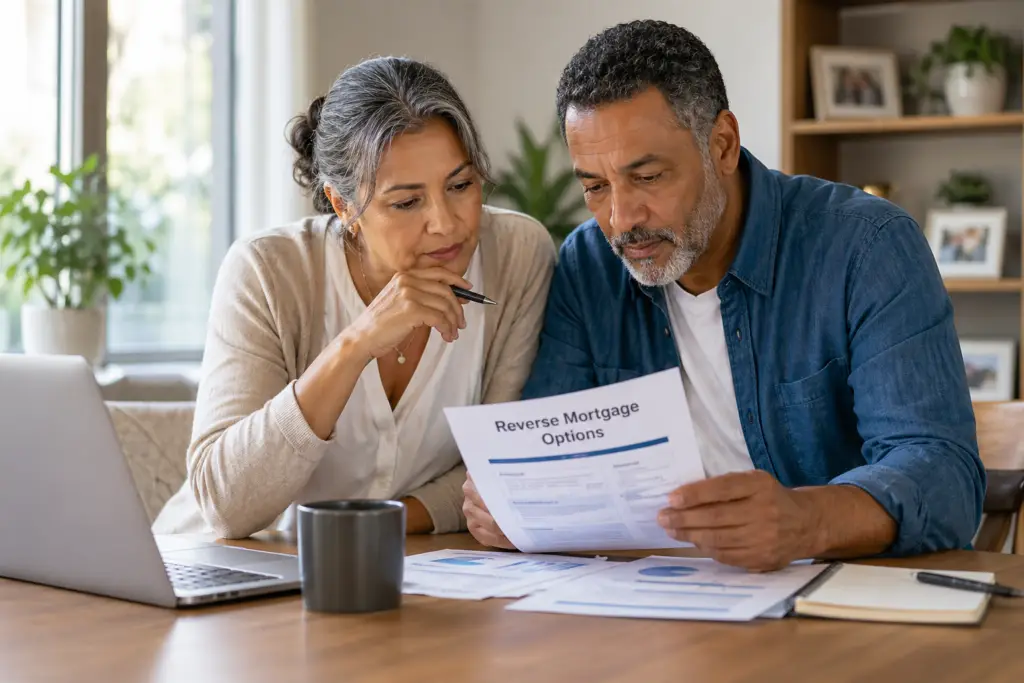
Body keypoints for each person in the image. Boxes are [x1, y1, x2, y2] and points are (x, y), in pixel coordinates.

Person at [462, 20, 985, 571]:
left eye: (648, 177)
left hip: (842, 601)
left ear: (723, 145)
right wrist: (515, 505)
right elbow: (552, 462)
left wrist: (805, 522)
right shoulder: (590, 264)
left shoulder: (866, 247)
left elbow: (944, 473)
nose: (620, 219)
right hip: (663, 604)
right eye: (594, 186)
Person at [153, 56, 556, 539]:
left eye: (461, 185)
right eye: (407, 202)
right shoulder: (266, 270)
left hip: (399, 569)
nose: (446, 223)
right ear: (343, 205)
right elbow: (226, 507)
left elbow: (498, 471)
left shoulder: (517, 254)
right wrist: (357, 344)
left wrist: (375, 526)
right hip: (216, 569)